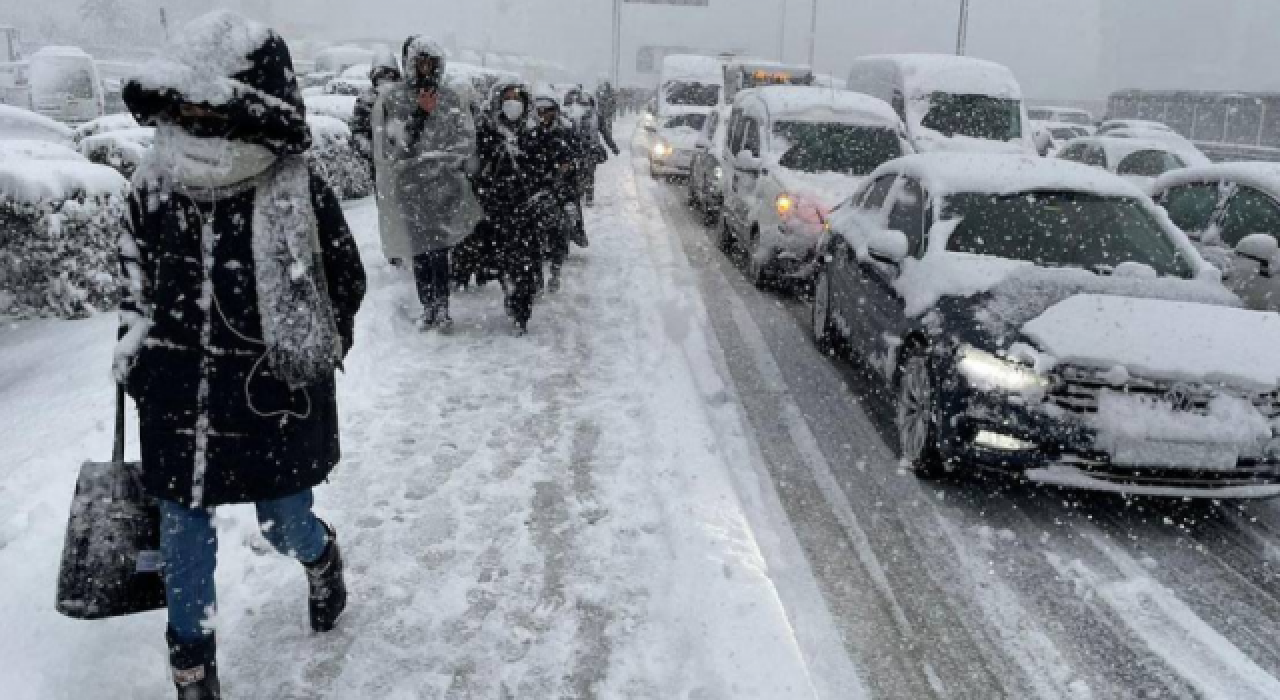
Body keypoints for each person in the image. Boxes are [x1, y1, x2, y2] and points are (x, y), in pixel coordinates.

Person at [115, 11, 366, 699]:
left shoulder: (295, 186)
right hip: (177, 396)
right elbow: (133, 280)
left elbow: (345, 281)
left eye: (210, 102)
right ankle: (192, 669)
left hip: (270, 395)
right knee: (183, 536)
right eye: (185, 102)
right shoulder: (153, 184)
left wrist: (310, 344)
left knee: (284, 521)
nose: (194, 116)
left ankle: (320, 557)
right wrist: (134, 352)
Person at [372, 36, 483, 331]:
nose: (425, 69)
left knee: (440, 249)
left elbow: (465, 139)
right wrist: (420, 114)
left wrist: (445, 161)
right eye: (420, 62)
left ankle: (442, 307)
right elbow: (396, 145)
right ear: (410, 64)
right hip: (411, 187)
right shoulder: (395, 98)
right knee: (419, 249)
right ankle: (428, 306)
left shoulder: (450, 98)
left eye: (430, 63)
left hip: (444, 187)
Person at [473, 82, 557, 334]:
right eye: (507, 98)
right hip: (498, 209)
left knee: (527, 264)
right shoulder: (488, 132)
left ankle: (522, 308)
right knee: (504, 261)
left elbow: (547, 168)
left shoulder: (534, 133)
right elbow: (477, 169)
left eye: (517, 98)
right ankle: (510, 293)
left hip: (528, 209)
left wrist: (541, 190)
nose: (512, 103)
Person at [526, 90, 580, 292]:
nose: (543, 114)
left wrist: (567, 169)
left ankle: (556, 271)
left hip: (560, 191)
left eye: (547, 110)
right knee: (533, 238)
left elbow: (573, 160)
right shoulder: (528, 134)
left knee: (560, 233)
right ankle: (537, 277)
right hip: (535, 191)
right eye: (539, 110)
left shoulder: (565, 132)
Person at [351, 46, 402, 181]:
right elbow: (358, 132)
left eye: (389, 77)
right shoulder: (365, 100)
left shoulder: (403, 99)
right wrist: (372, 152)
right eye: (381, 78)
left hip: (404, 163)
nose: (385, 83)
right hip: (379, 166)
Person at [564, 86, 619, 207]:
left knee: (587, 173)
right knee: (584, 173)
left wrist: (613, 146)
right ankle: (584, 195)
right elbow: (605, 133)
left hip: (589, 149)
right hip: (582, 149)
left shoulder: (593, 116)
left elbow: (605, 133)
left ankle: (587, 196)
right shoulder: (573, 116)